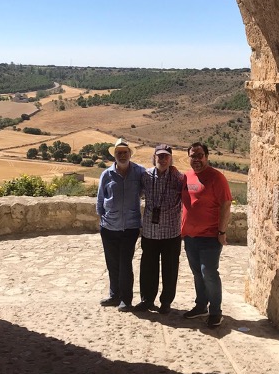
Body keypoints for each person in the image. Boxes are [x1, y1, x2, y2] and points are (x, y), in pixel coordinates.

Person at [181, 142, 232, 328]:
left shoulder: (216, 178)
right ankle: (201, 306)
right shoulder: (186, 177)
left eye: (199, 155)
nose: (196, 159)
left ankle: (216, 311)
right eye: (193, 156)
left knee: (208, 273)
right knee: (197, 273)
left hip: (210, 236)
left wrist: (222, 231)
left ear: (207, 156)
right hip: (190, 236)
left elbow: (226, 204)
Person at [134, 144, 185, 315]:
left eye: (166, 156)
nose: (162, 159)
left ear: (171, 159)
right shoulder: (146, 176)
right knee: (148, 267)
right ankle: (147, 299)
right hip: (150, 231)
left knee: (170, 269)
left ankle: (166, 302)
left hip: (171, 232)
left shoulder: (179, 178)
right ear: (154, 157)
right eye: (159, 156)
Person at [96, 138, 145, 312]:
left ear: (130, 154)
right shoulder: (106, 174)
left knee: (125, 264)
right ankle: (113, 295)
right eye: (119, 153)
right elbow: (101, 199)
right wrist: (103, 219)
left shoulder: (139, 172)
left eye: (125, 152)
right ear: (114, 155)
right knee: (112, 263)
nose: (122, 155)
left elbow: (148, 189)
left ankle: (126, 299)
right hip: (109, 227)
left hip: (130, 227)